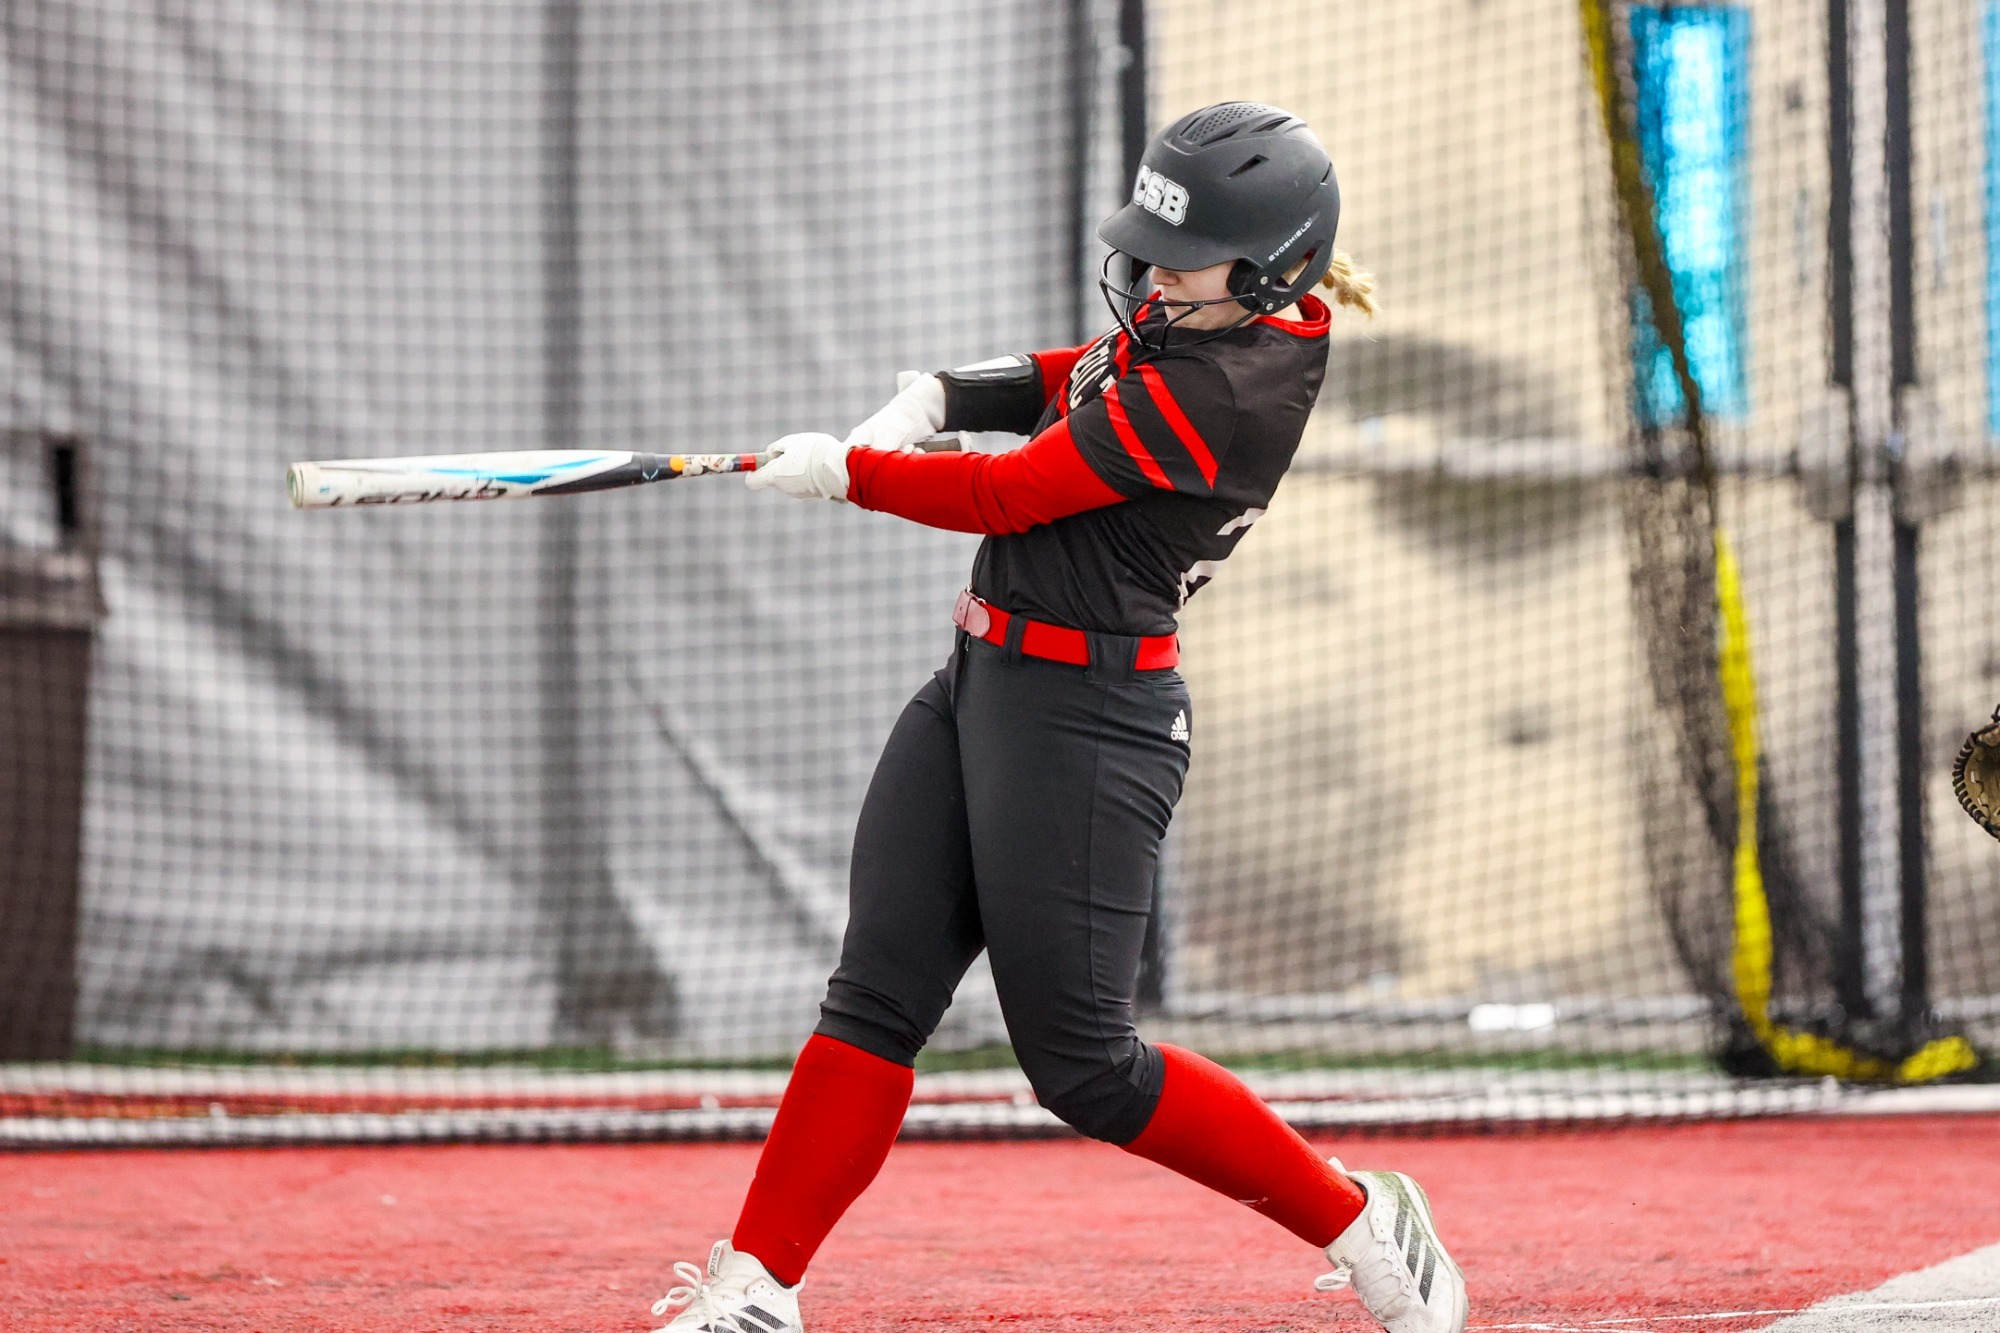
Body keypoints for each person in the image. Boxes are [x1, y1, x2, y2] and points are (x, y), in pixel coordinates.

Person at [648, 103, 1466, 1333]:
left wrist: (851, 474)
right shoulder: (1200, 322)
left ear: (1268, 270)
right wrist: (940, 393)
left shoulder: (1227, 389)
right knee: (874, 995)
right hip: (980, 681)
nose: (1149, 280)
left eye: (1180, 263)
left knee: (1085, 1068)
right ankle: (756, 1289)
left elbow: (1015, 492)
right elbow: (1070, 374)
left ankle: (1360, 1221)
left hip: (1089, 722)